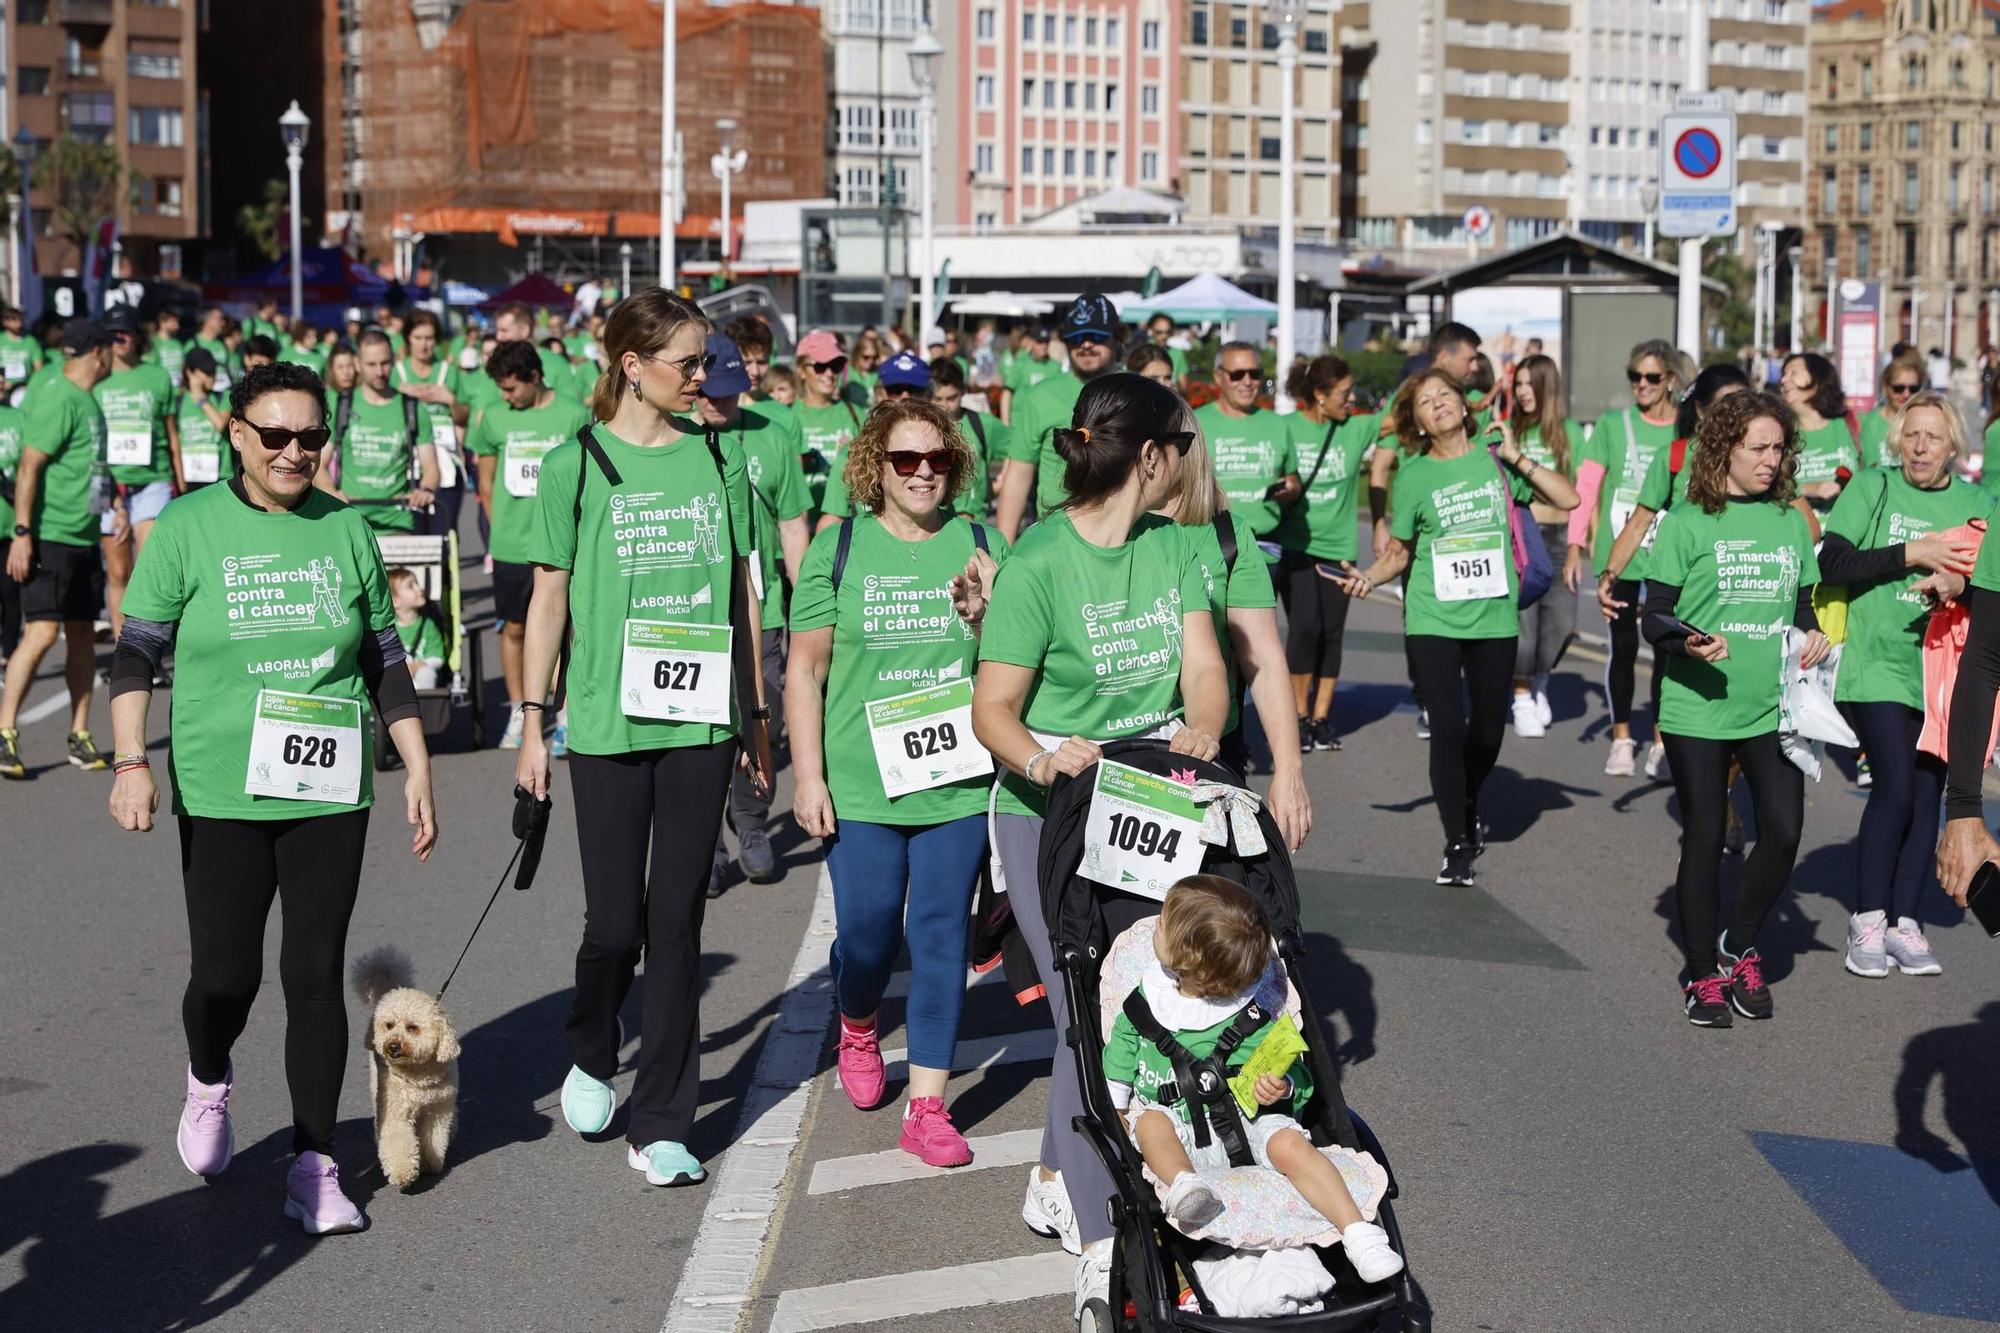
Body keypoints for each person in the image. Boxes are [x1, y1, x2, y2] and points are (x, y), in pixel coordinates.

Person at [105, 359, 439, 1233]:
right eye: (277, 436)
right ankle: (208, 1076)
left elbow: (384, 660)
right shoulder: (185, 527)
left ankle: (315, 1165)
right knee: (225, 976)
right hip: (221, 785)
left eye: (312, 437)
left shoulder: (347, 529)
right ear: (237, 436)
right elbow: (136, 652)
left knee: (314, 976)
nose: (297, 452)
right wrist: (132, 759)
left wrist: (417, 766)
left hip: (328, 781)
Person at [970, 371, 1228, 1317]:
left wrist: (1202, 725)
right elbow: (991, 709)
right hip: (1048, 818)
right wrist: (1043, 760)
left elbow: (1206, 669)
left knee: (1121, 1009)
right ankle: (1097, 1234)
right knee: (1089, 1013)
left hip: (1151, 809)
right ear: (1150, 456)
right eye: (1183, 448)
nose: (1188, 465)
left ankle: (1050, 1172)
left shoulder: (1175, 548)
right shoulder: (1040, 560)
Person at [514, 289, 773, 1188]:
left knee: (677, 921)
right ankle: (592, 1046)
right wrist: (532, 724)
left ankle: (663, 1117)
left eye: (707, 363)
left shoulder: (719, 458)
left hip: (700, 720)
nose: (706, 378)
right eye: (689, 363)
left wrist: (755, 713)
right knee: (614, 923)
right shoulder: (573, 464)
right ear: (632, 364)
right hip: (606, 720)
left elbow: (743, 593)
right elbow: (547, 598)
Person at [788, 396, 1003, 1166]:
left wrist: (984, 616)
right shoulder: (838, 545)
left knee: (940, 933)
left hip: (954, 779)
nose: (923, 474)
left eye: (937, 459)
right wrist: (808, 774)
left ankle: (929, 1105)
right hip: (862, 781)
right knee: (871, 932)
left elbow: (1014, 663)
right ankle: (857, 1018)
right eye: (905, 460)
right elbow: (805, 666)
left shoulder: (982, 541)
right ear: (874, 466)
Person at [1330, 369, 1578, 886]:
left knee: (1487, 731)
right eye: (1426, 400)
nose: (1438, 402)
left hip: (1492, 616)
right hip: (1432, 616)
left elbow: (1568, 499)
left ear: (1466, 407)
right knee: (1447, 727)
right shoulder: (1415, 474)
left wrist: (1515, 457)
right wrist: (1367, 578)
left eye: (1446, 394)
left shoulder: (1495, 459)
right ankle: (1458, 841)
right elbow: (1400, 551)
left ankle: (1466, 795)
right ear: (1417, 421)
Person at [1103, 875, 1403, 1281]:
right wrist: (1117, 1104)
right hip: (1180, 1128)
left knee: (1290, 1143)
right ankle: (1184, 1186)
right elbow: (1120, 1046)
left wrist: (1285, 1086)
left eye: (1161, 926)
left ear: (1187, 958)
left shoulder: (1254, 1015)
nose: (1153, 927)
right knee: (1152, 1122)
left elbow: (1291, 1064)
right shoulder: (1148, 1000)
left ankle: (1358, 1233)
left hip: (1250, 1120)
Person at [1640, 391, 1825, 1027]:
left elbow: (1801, 607)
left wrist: (1814, 634)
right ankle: (1699, 973)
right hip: (1698, 706)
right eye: (1759, 448)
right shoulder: (1689, 519)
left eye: (1779, 448)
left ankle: (1739, 942)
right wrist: (1685, 640)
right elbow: (1654, 613)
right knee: (1705, 836)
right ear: (1724, 448)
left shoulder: (1787, 521)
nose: (1772, 460)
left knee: (1783, 830)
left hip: (1771, 706)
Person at [1818, 391, 1989, 977]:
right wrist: (1913, 551)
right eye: (1911, 435)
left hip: (1941, 671)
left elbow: (1986, 590)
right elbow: (1833, 563)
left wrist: (1956, 587)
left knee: (1924, 797)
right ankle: (1867, 918)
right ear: (1897, 439)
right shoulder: (1873, 486)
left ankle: (1905, 925)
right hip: (1875, 663)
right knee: (1893, 785)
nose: (1919, 447)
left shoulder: (1975, 501)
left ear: (1954, 447)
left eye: (1933, 438)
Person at [695, 331, 809, 891]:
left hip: (759, 606)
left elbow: (792, 524)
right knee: (701, 719)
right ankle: (708, 843)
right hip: (691, 609)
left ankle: (753, 822)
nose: (718, 403)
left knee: (762, 714)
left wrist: (808, 606)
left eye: (729, 393)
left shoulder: (773, 432)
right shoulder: (676, 436)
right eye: (710, 392)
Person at [1164, 409, 1311, 845]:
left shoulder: (1227, 534)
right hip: (1115, 747)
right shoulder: (1106, 533)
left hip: (1212, 744)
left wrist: (1289, 770)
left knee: (1210, 903)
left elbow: (1263, 659)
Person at [464, 338, 593, 752]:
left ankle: (567, 714)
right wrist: (499, 526)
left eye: (511, 388)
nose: (505, 396)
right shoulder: (494, 419)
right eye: (501, 389)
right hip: (511, 545)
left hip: (564, 544)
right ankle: (521, 712)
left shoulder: (573, 412)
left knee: (568, 629)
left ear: (535, 377)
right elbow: (485, 482)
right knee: (515, 628)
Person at [0, 318, 116, 778]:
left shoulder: (87, 400)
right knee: (43, 633)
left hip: (85, 536)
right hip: (50, 536)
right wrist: (23, 533)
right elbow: (30, 465)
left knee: (83, 635)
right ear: (98, 352)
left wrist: (115, 508)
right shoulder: (59, 396)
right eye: (110, 347)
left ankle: (79, 733)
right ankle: (6, 731)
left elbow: (93, 470)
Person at [1580, 339, 1686, 778]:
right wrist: (1574, 545)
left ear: (1671, 381)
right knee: (1622, 649)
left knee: (1665, 653)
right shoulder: (1613, 424)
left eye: (1652, 377)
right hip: (1621, 553)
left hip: (1668, 558)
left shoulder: (1684, 428)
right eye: (1635, 377)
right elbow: (1587, 485)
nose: (1642, 385)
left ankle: (1661, 741)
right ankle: (1622, 738)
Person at [1276, 355, 1377, 753]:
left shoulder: (1354, 427)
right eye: (1343, 392)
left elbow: (1402, 412)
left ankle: (1321, 718)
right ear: (1319, 395)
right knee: (1305, 628)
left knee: (1332, 634)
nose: (1351, 399)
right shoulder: (1285, 428)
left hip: (1339, 550)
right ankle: (1298, 716)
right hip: (1296, 544)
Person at [996, 293, 1124, 541]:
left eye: (1096, 336)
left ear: (1117, 339)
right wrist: (1002, 553)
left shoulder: (1137, 392)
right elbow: (1018, 476)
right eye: (1076, 338)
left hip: (1122, 541)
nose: (1085, 344)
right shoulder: (1041, 395)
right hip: (1055, 543)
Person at [1505, 354, 1588, 738]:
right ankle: (1521, 696)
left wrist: (1577, 547)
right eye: (1518, 384)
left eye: (1529, 383)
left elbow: (1583, 493)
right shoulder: (1510, 431)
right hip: (1523, 534)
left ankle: (1539, 679)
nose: (1522, 391)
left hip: (1559, 536)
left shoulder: (1569, 431)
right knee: (1525, 623)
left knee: (1562, 622)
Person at [96, 308, 180, 639]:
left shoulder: (157, 376)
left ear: (137, 336)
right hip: (106, 484)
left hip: (152, 481)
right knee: (117, 572)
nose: (119, 339)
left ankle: (145, 645)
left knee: (147, 569)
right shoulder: (97, 378)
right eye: (112, 333)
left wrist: (180, 478)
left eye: (125, 332)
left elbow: (172, 432)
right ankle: (123, 648)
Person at [319, 330, 437, 534]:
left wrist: (425, 490)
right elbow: (318, 464)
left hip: (397, 524)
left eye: (385, 363)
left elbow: (431, 467)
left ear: (393, 361)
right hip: (350, 523)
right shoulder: (341, 405)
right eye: (371, 365)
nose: (380, 372)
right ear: (357, 363)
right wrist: (331, 492)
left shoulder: (413, 408)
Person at [1191, 342, 1301, 552]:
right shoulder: (1196, 422)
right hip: (1211, 543)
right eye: (1237, 374)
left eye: (1255, 374)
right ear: (1218, 377)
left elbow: (1294, 480)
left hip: (1265, 543)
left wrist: (1290, 489)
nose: (1248, 382)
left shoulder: (1277, 424)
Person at [394, 310, 468, 540]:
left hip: (445, 465)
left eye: (429, 338)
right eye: (418, 338)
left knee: (443, 537)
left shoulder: (448, 372)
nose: (424, 345)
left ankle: (445, 576)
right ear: (408, 339)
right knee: (413, 538)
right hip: (408, 465)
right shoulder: (397, 373)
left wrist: (450, 400)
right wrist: (400, 394)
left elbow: (464, 416)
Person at [791, 329, 865, 518]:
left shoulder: (855, 414)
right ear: (801, 370)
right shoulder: (786, 415)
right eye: (820, 366)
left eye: (836, 365)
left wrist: (853, 459)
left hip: (844, 525)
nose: (830, 373)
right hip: (800, 524)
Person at [1780, 352, 1860, 511]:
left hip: (1846, 532)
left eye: (1793, 373)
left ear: (1818, 380)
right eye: (1783, 375)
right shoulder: (1780, 433)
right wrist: (1808, 489)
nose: (1783, 380)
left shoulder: (1853, 424)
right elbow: (1769, 489)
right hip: (1800, 532)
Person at [1860, 349, 1927, 467]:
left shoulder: (1926, 422)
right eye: (1899, 388)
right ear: (1885, 388)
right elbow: (1869, 468)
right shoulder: (1870, 423)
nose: (1906, 394)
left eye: (1913, 389)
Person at [388, 566, 447, 688]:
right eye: (411, 586)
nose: (419, 588)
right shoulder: (389, 629)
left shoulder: (428, 625)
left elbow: (438, 658)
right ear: (395, 601)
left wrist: (420, 664)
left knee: (427, 673)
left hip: (422, 677)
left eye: (417, 583)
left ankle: (425, 705)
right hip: (397, 679)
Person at [1000, 323, 1061, 424]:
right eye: (1040, 342)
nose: (1044, 345)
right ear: (1031, 342)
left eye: (1046, 342)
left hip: (1045, 421)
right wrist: (1005, 421)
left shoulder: (1055, 367)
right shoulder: (1020, 364)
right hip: (1018, 422)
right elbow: (1007, 392)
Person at [0, 304, 45, 400]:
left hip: (25, 389)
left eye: (20, 319)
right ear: (5, 322)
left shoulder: (31, 341)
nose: (18, 323)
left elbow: (39, 369)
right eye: (14, 320)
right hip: (3, 389)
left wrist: (32, 386)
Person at [1142, 313, 1189, 384]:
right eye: (1159, 332)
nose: (1164, 336)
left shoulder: (1177, 353)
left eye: (1167, 332)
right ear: (1150, 330)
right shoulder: (1141, 352)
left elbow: (1183, 387)